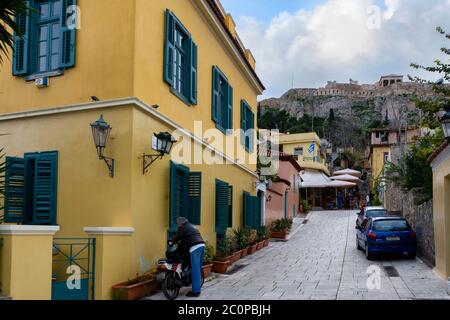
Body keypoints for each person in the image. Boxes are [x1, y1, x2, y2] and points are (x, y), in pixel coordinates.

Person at [172, 216, 205, 298]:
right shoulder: (191, 226)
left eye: (178, 224)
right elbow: (187, 238)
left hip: (195, 247)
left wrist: (172, 241)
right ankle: (196, 285)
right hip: (201, 245)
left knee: (195, 269)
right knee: (197, 267)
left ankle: (196, 291)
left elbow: (177, 237)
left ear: (181, 223)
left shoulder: (183, 228)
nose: (178, 225)